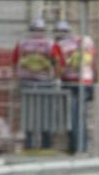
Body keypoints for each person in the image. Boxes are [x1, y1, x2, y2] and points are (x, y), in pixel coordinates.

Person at [12, 18, 63, 149]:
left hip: (39, 82)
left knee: (41, 114)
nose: (37, 33)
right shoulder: (47, 43)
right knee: (34, 114)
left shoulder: (28, 43)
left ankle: (42, 144)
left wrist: (56, 79)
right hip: (36, 82)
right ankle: (35, 144)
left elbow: (56, 61)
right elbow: (57, 62)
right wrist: (57, 79)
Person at [54, 21, 96, 154]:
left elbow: (60, 67)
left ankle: (77, 147)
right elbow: (93, 62)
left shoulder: (61, 45)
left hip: (71, 83)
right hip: (87, 82)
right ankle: (81, 146)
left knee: (73, 117)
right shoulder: (87, 41)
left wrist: (57, 79)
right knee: (80, 116)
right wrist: (95, 81)